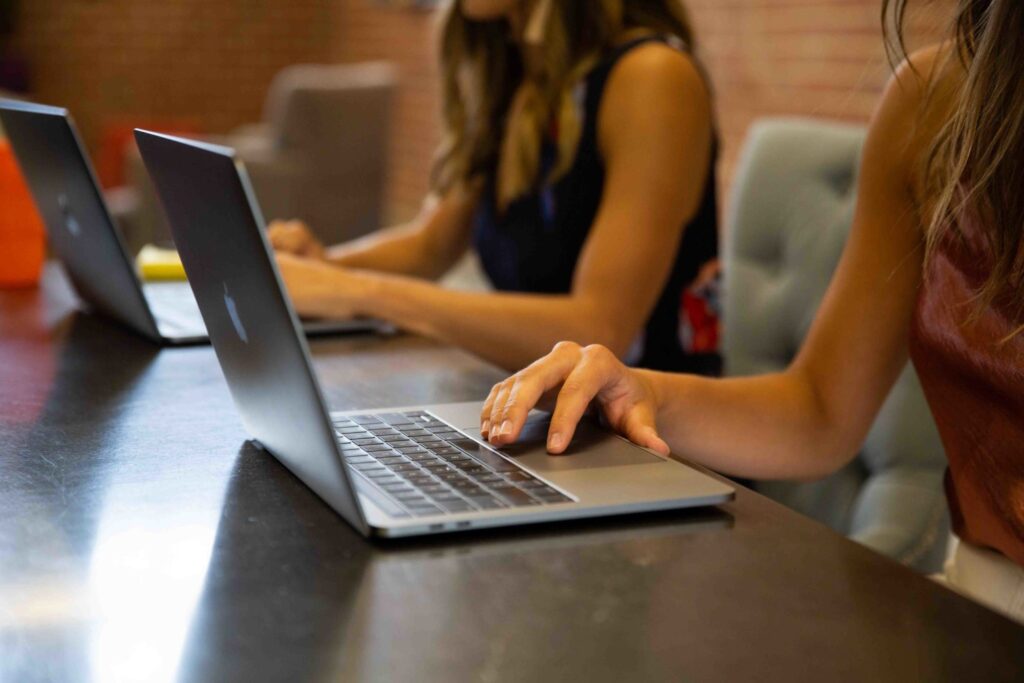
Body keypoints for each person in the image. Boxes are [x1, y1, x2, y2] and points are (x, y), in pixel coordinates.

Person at [479, 0, 1024, 623]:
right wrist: (637, 390)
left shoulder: (652, 75)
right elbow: (819, 411)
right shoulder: (934, 103)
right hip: (981, 599)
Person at [269, 0, 721, 374]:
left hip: (648, 450)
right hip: (537, 412)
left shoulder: (654, 76)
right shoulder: (517, 74)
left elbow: (599, 328)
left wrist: (357, 292)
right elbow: (430, 245)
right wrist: (315, 269)